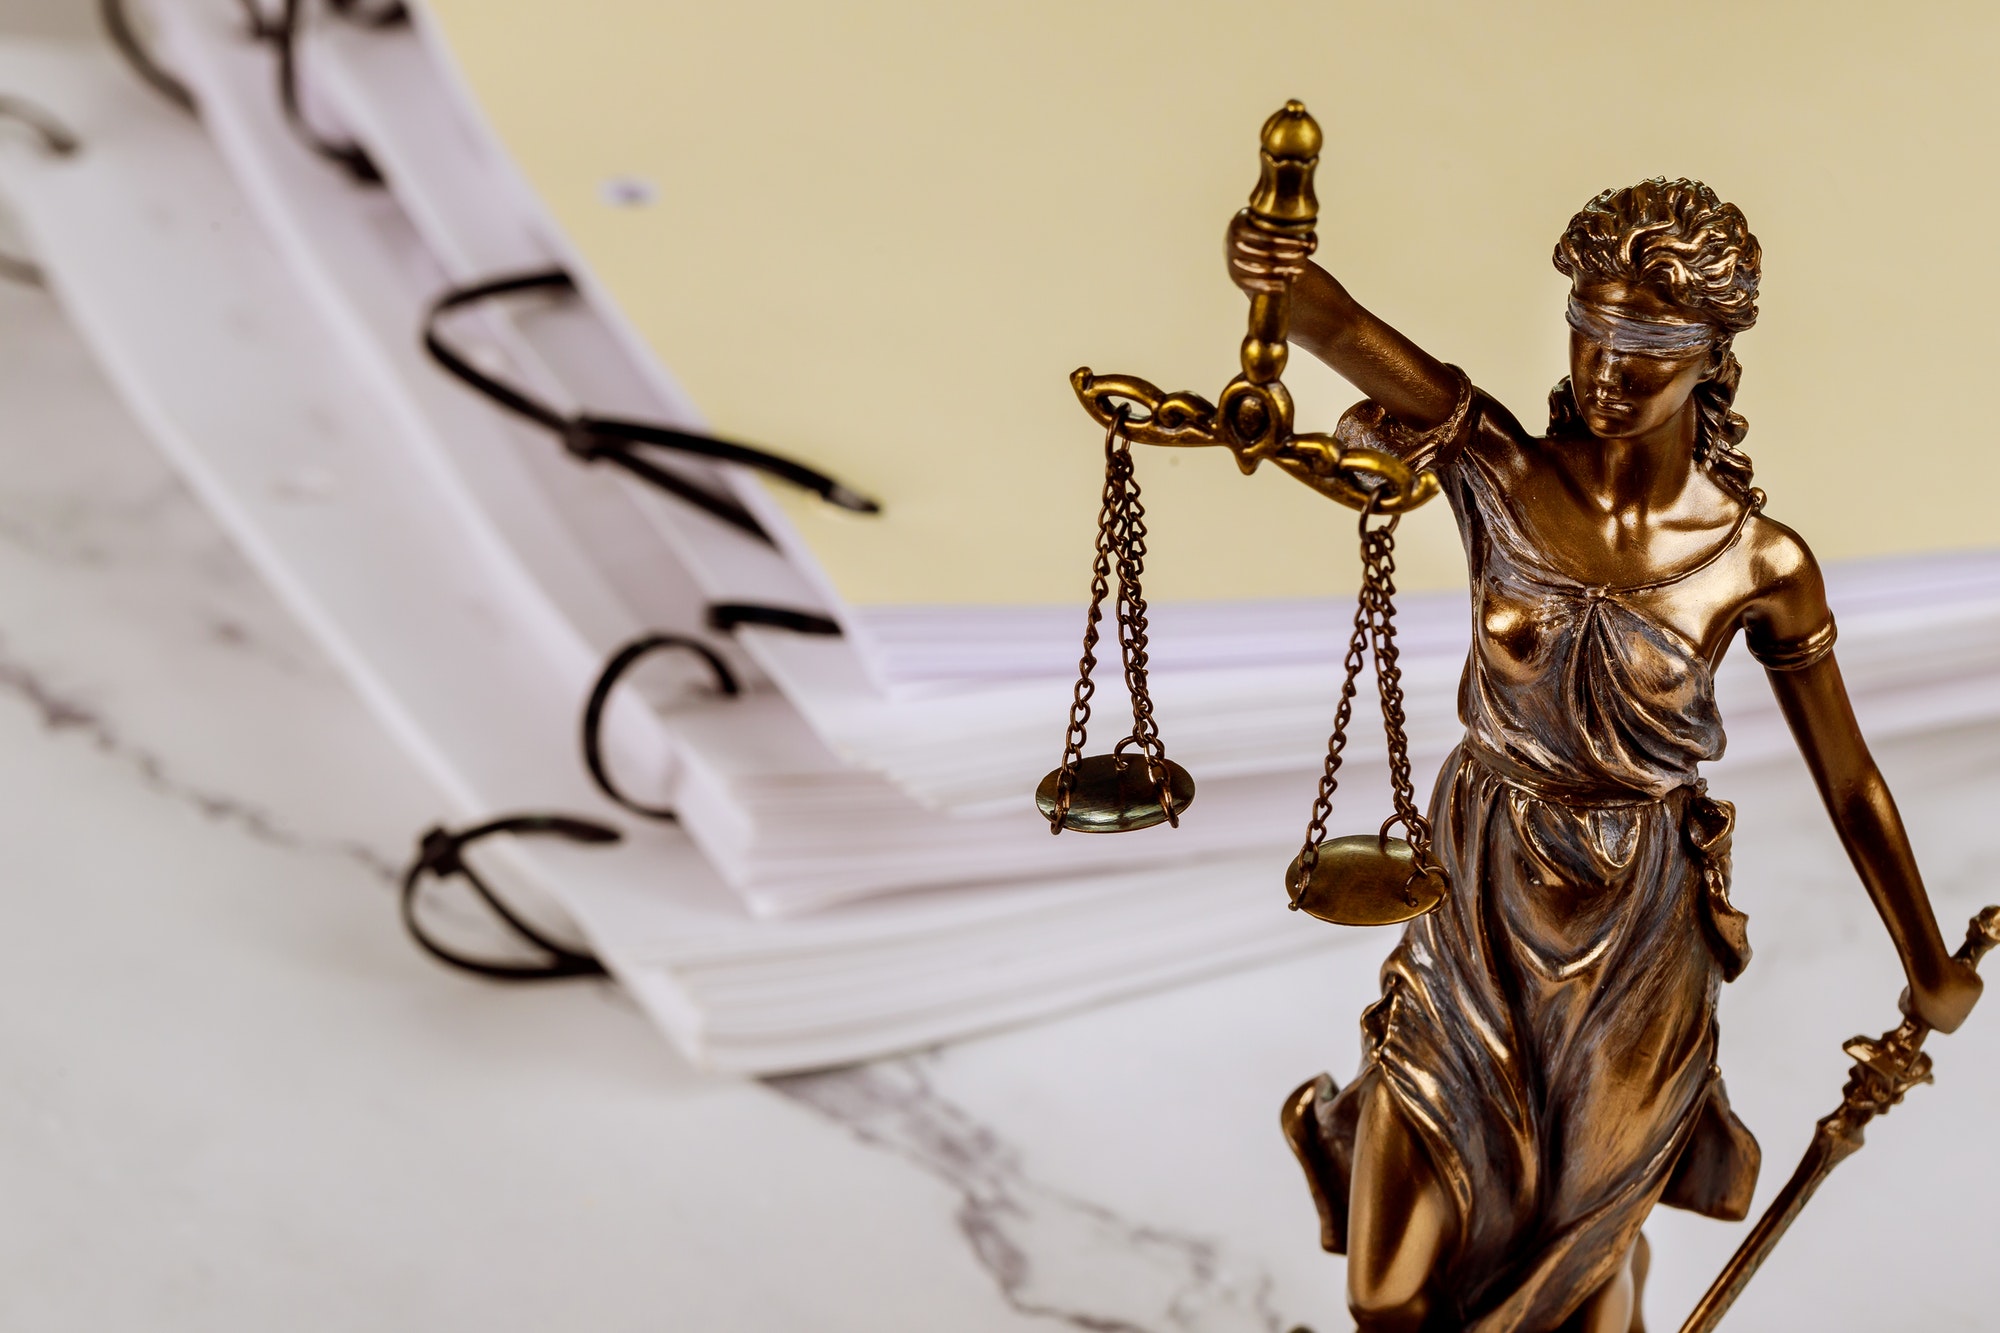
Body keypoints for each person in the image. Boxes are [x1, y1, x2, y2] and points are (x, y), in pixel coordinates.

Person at [1228, 178, 1984, 1332]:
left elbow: (1848, 779)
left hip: (1635, 930)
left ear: (1709, 362)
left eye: (1643, 353)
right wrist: (1279, 277)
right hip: (1475, 892)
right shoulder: (1502, 471)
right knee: (1387, 1293)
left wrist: (1928, 962)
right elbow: (1345, 336)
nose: (1602, 374)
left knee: (1583, 1275)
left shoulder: (1759, 564)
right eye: (1587, 335)